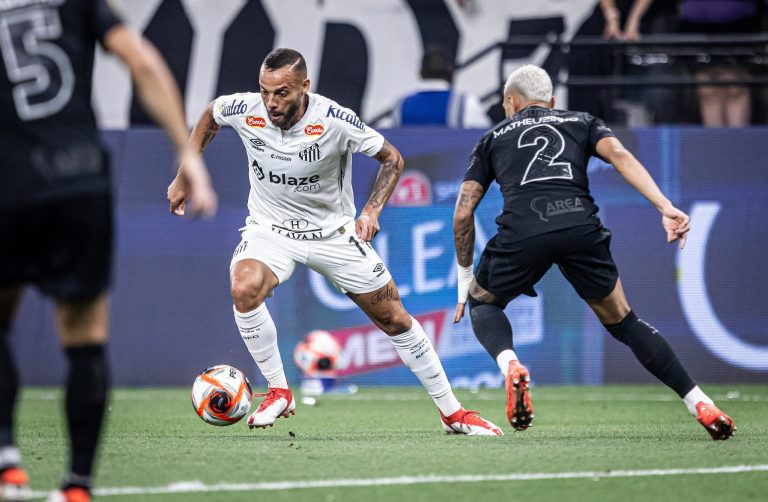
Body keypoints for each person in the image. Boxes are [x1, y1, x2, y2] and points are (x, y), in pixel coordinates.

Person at [167, 48, 502, 437]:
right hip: (270, 230)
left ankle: (453, 413)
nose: (271, 103)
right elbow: (210, 114)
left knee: (394, 318)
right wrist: (185, 174)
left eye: (282, 93)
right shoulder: (245, 108)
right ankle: (278, 390)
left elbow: (392, 159)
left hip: (334, 235)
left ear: (305, 86)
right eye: (265, 91)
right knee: (243, 288)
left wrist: (371, 211)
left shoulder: (335, 119)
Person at [0, 0, 217, 500]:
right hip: (79, 179)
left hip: (9, 181)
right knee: (85, 340)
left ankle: (8, 466)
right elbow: (141, 62)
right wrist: (187, 155)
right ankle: (77, 485)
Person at [451, 64, 735, 440]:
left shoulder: (490, 139)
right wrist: (664, 206)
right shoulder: (581, 120)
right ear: (552, 101)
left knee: (483, 304)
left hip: (524, 230)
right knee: (624, 322)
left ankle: (511, 366)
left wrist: (464, 277)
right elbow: (618, 154)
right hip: (578, 225)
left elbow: (463, 212)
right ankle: (699, 401)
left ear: (510, 101)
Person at [390, 44, 491, 128]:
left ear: (420, 73)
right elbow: (485, 143)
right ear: (451, 73)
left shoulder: (401, 105)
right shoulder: (465, 103)